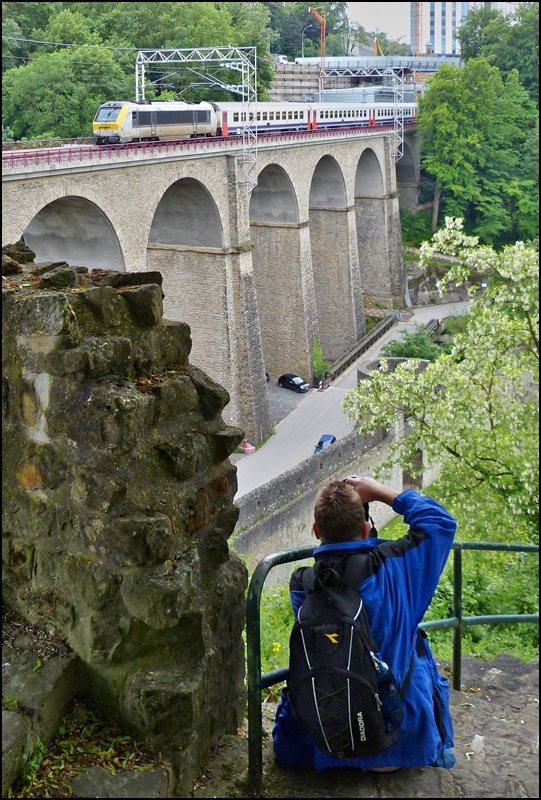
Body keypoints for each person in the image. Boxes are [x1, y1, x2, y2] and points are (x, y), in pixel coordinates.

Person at [273, 476, 457, 772]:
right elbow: (440, 522)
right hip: (402, 742)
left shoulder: (302, 585)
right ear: (366, 529)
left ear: (317, 530)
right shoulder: (394, 567)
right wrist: (380, 492)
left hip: (326, 745)